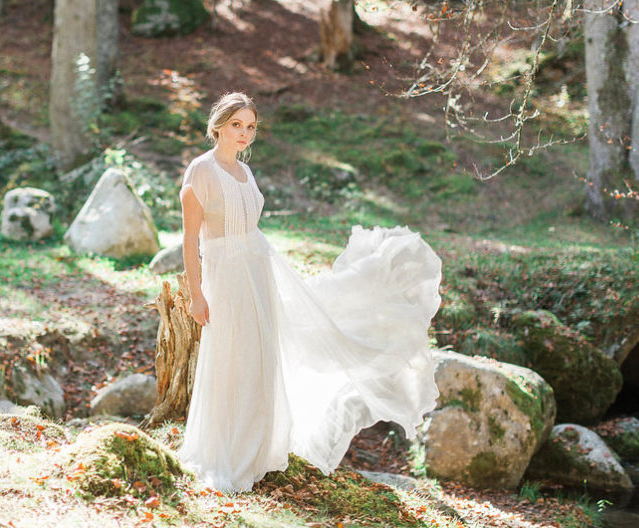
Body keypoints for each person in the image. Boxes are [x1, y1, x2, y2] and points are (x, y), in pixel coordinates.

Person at [177, 91, 442, 494]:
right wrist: (197, 295)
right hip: (226, 278)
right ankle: (225, 453)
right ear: (219, 125)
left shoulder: (245, 173)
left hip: (258, 273)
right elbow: (189, 240)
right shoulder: (201, 171)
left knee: (263, 358)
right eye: (237, 125)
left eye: (250, 127)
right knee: (232, 359)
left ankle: (257, 449)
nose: (244, 134)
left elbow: (252, 229)